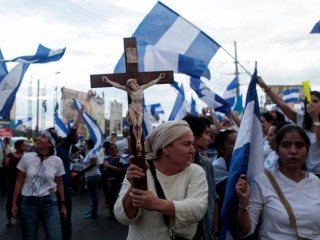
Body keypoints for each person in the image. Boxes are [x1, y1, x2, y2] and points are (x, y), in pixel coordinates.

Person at [114, 121, 208, 240]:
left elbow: (197, 209)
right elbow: (123, 217)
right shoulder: (141, 171)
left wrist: (156, 203)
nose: (192, 150)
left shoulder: (195, 172)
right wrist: (133, 186)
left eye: (192, 144)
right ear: (166, 148)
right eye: (187, 144)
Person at [236, 125, 320, 239]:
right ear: (277, 149)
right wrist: (243, 202)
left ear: (307, 150)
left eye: (299, 145)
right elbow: (245, 231)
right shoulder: (262, 181)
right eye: (286, 145)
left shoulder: (315, 182)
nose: (293, 151)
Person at [258, 76, 320, 177]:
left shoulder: (315, 120)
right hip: (305, 172)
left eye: (315, 101)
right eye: (308, 102)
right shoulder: (301, 119)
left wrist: (315, 118)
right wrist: (265, 87)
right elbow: (282, 104)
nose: (310, 105)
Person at [12, 130, 67, 240]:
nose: (38, 138)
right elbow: (19, 181)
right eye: (39, 136)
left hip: (50, 204)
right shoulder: (27, 157)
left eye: (43, 137)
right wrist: (14, 204)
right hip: (28, 204)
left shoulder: (57, 161)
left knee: (55, 237)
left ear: (50, 143)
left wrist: (62, 204)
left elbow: (60, 184)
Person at [102, 73, 165, 153]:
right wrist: (108, 80)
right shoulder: (129, 91)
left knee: (139, 125)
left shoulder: (141, 88)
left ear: (135, 84)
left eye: (132, 85)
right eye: (130, 86)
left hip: (139, 109)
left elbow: (151, 83)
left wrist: (159, 77)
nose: (131, 86)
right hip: (132, 109)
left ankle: (138, 140)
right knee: (135, 125)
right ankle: (138, 141)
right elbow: (117, 85)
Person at [47, 106, 83, 240]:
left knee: (65, 218)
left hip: (64, 189)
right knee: (49, 221)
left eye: (47, 135)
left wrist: (79, 115)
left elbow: (72, 132)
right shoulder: (42, 153)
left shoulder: (62, 147)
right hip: (48, 191)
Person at [183, 114, 219, 240]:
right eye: (206, 133)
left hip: (205, 232)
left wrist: (214, 229)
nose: (209, 138)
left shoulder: (207, 164)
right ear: (194, 135)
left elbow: (213, 197)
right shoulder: (175, 165)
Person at [212, 128, 237, 235]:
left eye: (239, 142)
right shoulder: (214, 168)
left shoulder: (248, 166)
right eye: (231, 143)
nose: (237, 146)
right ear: (221, 148)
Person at [3, 139, 27, 227]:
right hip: (12, 181)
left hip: (23, 181)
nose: (25, 147)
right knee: (10, 200)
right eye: (23, 145)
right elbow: (6, 164)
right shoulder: (11, 155)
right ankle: (9, 219)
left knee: (20, 200)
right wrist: (5, 154)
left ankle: (18, 218)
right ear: (18, 146)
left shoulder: (26, 156)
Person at [104, 143, 126, 219]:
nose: (113, 150)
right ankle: (112, 213)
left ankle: (122, 213)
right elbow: (106, 165)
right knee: (112, 197)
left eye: (114, 148)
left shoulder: (122, 157)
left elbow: (126, 165)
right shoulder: (107, 158)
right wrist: (117, 169)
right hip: (112, 180)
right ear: (108, 150)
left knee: (122, 196)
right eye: (111, 148)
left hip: (122, 179)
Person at [81, 139, 101, 219]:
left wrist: (83, 170)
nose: (85, 146)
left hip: (92, 175)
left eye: (86, 144)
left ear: (88, 144)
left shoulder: (92, 152)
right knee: (92, 195)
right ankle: (92, 210)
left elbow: (94, 163)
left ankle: (94, 213)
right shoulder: (92, 151)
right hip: (92, 175)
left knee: (93, 196)